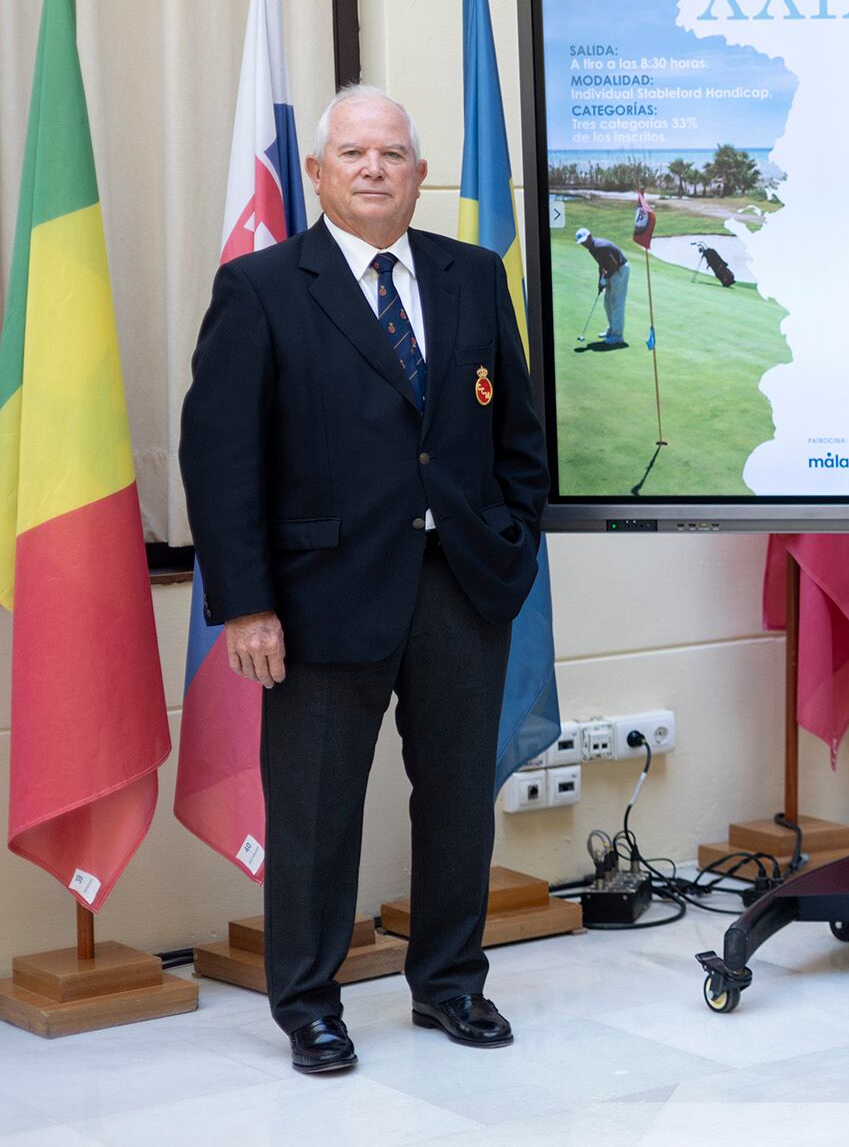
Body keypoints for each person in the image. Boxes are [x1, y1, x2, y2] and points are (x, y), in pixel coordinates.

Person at [181, 86, 548, 1075]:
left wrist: (509, 541)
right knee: (313, 811)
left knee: (458, 800)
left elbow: (516, 431)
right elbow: (220, 461)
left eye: (392, 153)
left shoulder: (472, 276)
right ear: (317, 172)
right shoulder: (262, 288)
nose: (374, 169)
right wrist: (248, 603)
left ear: (420, 174)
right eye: (352, 154)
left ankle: (450, 985)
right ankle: (308, 1003)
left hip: (460, 586)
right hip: (317, 597)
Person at [576, 225, 630, 347]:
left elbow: (614, 265)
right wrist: (600, 281)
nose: (583, 244)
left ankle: (617, 336)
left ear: (589, 236)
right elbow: (602, 265)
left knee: (616, 304)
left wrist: (605, 279)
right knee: (607, 303)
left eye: (584, 241)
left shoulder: (600, 246)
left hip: (620, 270)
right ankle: (611, 329)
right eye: (581, 243)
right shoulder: (591, 248)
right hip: (613, 270)